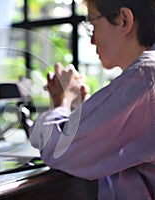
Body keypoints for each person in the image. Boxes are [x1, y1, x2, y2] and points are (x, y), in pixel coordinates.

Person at [29, 0, 155, 199]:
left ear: (124, 20)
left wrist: (60, 101)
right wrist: (83, 108)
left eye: (92, 25)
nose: (92, 40)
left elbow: (59, 148)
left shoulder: (144, 77)